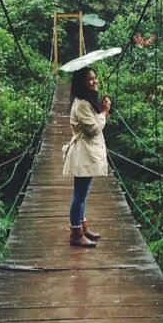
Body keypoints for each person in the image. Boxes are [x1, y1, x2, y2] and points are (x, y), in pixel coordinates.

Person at [62, 67, 111, 248]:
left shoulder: (86, 101)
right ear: (81, 83)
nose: (95, 81)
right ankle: (76, 233)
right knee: (79, 195)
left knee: (83, 194)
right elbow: (94, 129)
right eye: (90, 79)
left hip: (86, 152)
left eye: (95, 78)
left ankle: (82, 227)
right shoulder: (82, 104)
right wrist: (104, 112)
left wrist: (101, 109)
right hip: (83, 153)